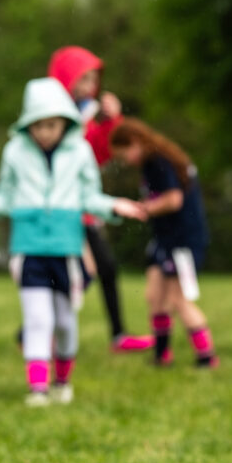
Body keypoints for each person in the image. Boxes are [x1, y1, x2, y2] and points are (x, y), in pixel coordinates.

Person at [0, 78, 146, 406]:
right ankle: (38, 388)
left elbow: (90, 196)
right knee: (37, 319)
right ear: (27, 125)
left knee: (63, 322)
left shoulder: (80, 151)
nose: (44, 132)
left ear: (64, 122)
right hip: (29, 250)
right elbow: (4, 199)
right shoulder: (15, 151)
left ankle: (62, 380)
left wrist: (115, 205)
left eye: (51, 125)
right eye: (37, 126)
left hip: (66, 251)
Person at [48, 45, 153, 351]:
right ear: (66, 80)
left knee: (103, 268)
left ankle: (117, 334)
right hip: (63, 209)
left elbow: (98, 155)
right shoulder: (51, 119)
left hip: (84, 207)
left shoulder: (86, 115)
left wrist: (110, 122)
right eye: (83, 79)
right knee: (82, 273)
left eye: (94, 79)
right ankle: (35, 331)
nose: (90, 87)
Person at [108, 119, 218, 368]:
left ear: (135, 143)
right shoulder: (153, 162)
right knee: (155, 296)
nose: (125, 161)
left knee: (179, 299)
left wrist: (143, 208)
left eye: (124, 154)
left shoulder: (159, 162)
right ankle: (161, 355)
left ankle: (206, 356)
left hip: (183, 241)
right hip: (164, 240)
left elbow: (174, 200)